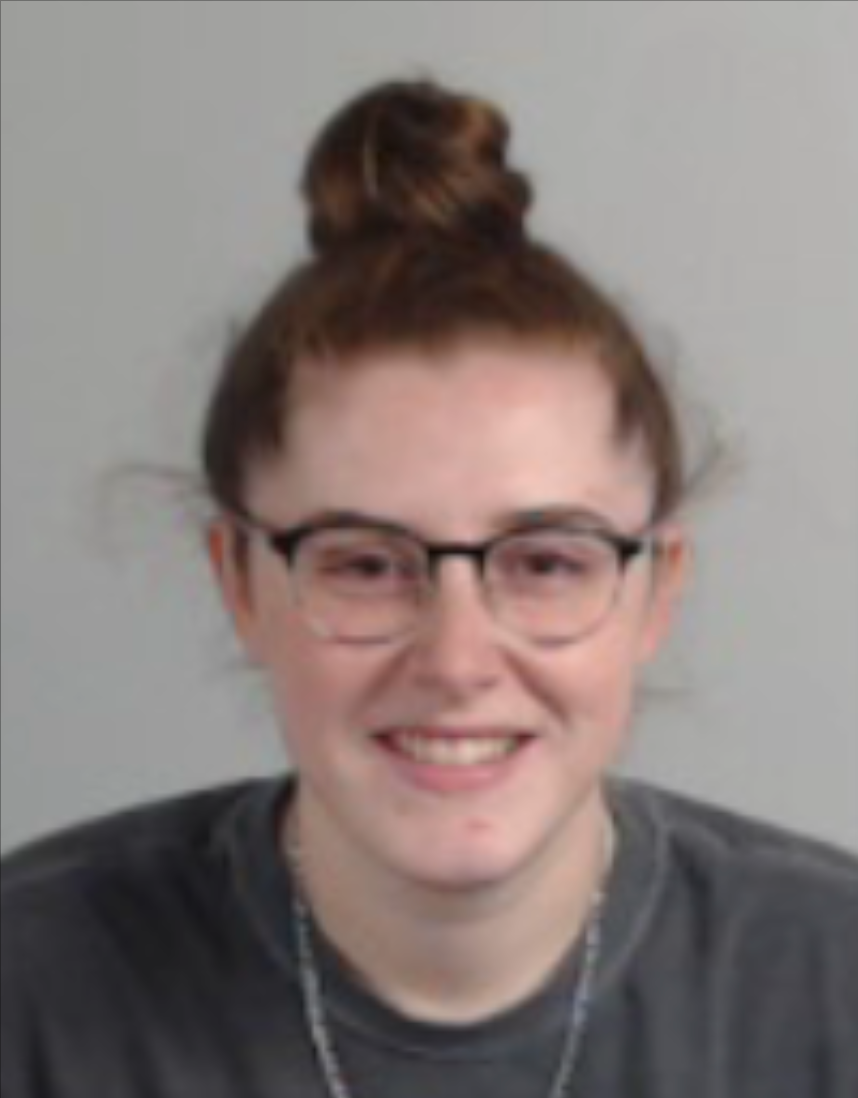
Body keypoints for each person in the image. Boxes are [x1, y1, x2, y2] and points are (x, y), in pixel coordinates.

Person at [2, 77, 856, 1098]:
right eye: (365, 564)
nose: (456, 662)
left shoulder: (831, 989)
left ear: (655, 593)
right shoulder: (30, 990)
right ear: (239, 582)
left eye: (545, 562)